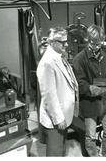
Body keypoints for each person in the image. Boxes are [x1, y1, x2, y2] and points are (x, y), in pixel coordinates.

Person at [72, 24, 106, 157]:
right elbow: (79, 83)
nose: (96, 46)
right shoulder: (79, 59)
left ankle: (105, 154)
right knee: (90, 136)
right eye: (93, 43)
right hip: (89, 103)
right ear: (87, 39)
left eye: (99, 43)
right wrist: (90, 89)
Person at [36, 27, 79, 156]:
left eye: (66, 41)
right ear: (51, 42)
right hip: (55, 119)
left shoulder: (58, 56)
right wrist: (58, 119)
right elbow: (49, 95)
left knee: (61, 149)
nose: (66, 44)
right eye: (62, 42)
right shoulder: (47, 63)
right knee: (55, 152)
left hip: (64, 114)